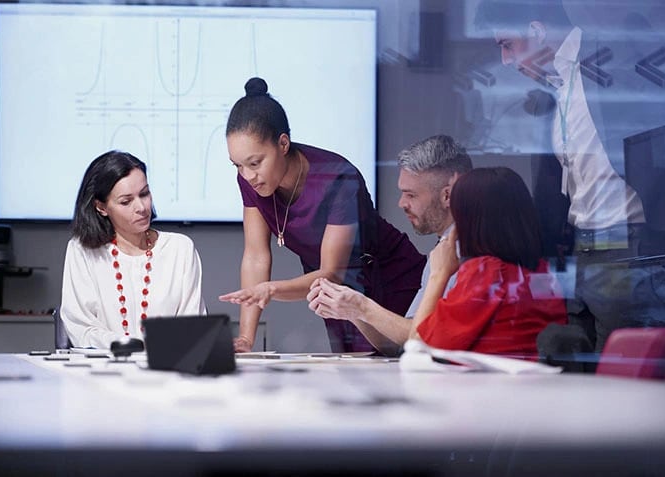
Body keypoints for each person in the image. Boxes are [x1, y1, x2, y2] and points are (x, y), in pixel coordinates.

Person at [477, 0, 665, 359]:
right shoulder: (551, 92)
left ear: (537, 32)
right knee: (573, 383)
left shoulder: (620, 51)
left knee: (620, 386)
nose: (506, 60)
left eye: (507, 45)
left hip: (634, 249)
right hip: (579, 255)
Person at [219, 77, 425, 353]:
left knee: (405, 369)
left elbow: (332, 272)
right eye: (238, 165)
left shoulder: (336, 177)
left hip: (388, 279)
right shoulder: (250, 179)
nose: (247, 175)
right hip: (334, 293)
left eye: (255, 163)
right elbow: (256, 256)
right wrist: (246, 337)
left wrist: (270, 289)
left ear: (283, 144)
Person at [307, 135, 473, 356]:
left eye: (411, 195)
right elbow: (401, 343)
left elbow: (419, 339)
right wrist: (352, 311)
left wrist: (362, 306)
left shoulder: (467, 254)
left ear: (447, 195)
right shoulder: (441, 253)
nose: (402, 203)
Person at [408, 167, 566, 356]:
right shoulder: (542, 272)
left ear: (468, 223)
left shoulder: (486, 273)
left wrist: (438, 275)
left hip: (487, 383)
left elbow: (417, 346)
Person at [60, 150, 207, 348]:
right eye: (126, 201)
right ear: (101, 207)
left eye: (144, 194)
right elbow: (82, 329)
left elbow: (193, 327)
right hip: (102, 372)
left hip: (167, 372)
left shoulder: (179, 249)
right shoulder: (82, 251)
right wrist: (128, 346)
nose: (141, 207)